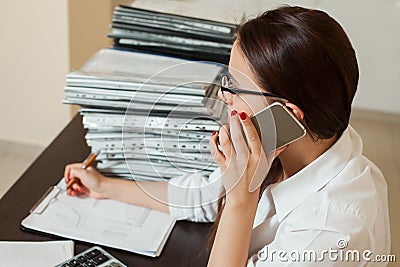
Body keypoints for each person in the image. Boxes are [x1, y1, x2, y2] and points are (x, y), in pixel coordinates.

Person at [64, 6, 391, 266]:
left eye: (235, 87)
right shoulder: (306, 141)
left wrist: (241, 199)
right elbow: (205, 195)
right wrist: (105, 186)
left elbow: (227, 201)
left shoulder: (329, 232)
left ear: (289, 115)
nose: (225, 97)